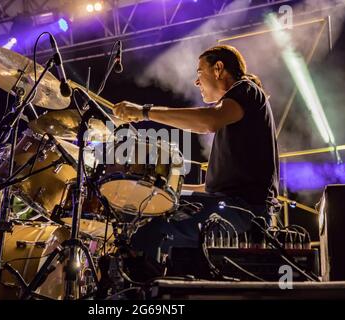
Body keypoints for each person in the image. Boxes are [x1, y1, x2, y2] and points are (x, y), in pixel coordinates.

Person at [112, 45, 280, 261]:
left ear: (218, 69)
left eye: (200, 72)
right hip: (228, 204)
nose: (196, 81)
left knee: (152, 229)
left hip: (244, 211)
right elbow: (212, 188)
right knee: (148, 203)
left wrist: (143, 112)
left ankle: (142, 289)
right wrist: (160, 189)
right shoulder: (234, 114)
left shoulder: (245, 90)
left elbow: (207, 122)